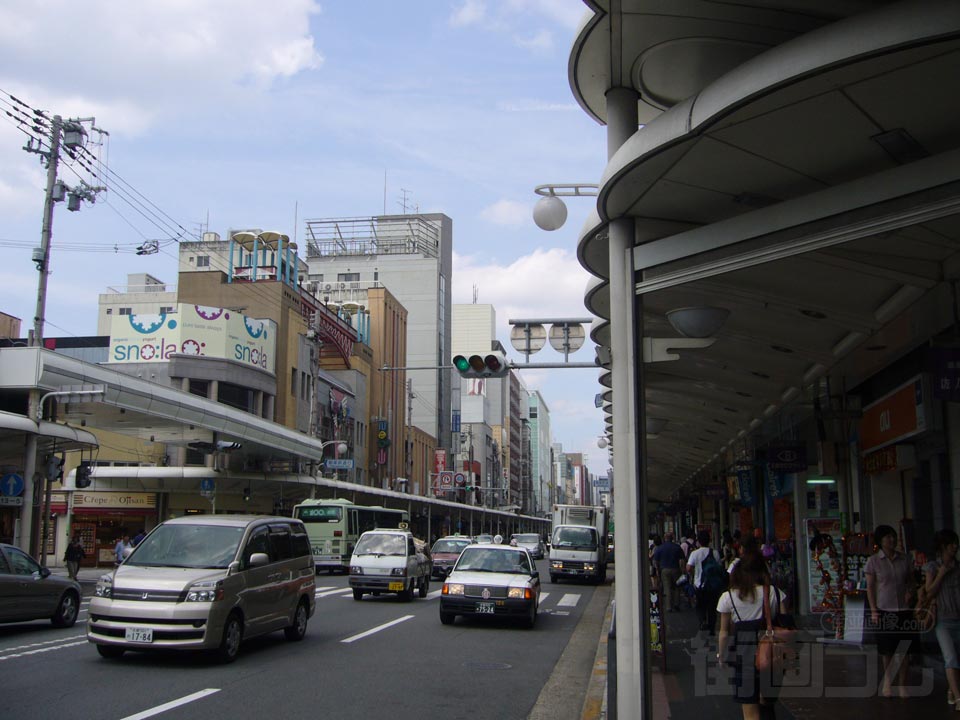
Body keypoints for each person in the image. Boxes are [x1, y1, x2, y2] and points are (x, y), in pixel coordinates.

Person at [717, 545, 787, 720]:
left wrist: (722, 655)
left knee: (750, 711)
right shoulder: (774, 593)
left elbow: (724, 632)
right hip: (771, 653)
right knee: (767, 703)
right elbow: (786, 624)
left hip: (743, 655)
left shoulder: (728, 597)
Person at [865, 524, 917, 699]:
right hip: (884, 610)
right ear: (880, 541)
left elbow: (911, 581)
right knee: (887, 650)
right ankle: (887, 681)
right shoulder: (873, 561)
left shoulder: (905, 559)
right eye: (888, 537)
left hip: (903, 610)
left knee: (904, 650)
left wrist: (911, 591)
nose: (892, 540)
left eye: (893, 536)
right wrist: (873, 611)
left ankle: (903, 684)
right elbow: (870, 588)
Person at [924, 529, 960, 707]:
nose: (955, 546)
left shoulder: (959, 567)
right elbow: (929, 593)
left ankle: (952, 690)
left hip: (959, 617)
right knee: (951, 657)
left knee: (957, 657)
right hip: (943, 620)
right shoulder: (933, 567)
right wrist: (941, 574)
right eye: (951, 543)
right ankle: (959, 698)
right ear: (942, 547)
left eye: (956, 542)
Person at [687, 531, 722, 633]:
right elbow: (719, 567)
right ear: (709, 541)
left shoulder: (694, 553)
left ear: (698, 541)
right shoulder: (714, 552)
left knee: (701, 605)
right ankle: (712, 626)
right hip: (712, 585)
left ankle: (702, 621)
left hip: (699, 584)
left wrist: (694, 572)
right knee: (712, 607)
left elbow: (688, 568)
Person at [653, 532, 686, 612]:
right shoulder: (677, 547)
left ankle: (668, 607)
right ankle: (676, 604)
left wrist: (657, 570)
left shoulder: (660, 548)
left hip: (664, 570)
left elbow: (656, 561)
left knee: (667, 587)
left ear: (664, 538)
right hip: (675, 569)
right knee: (677, 586)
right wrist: (682, 570)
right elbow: (682, 559)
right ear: (672, 538)